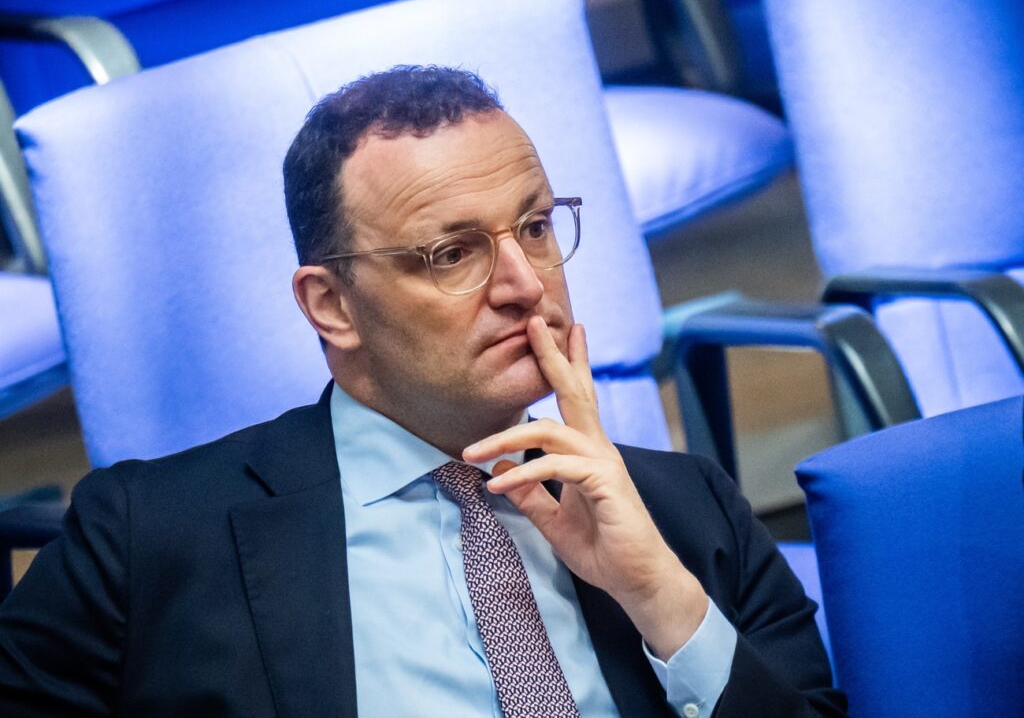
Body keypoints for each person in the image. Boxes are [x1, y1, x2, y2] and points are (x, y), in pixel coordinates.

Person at [0, 66, 845, 717]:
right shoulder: (144, 539)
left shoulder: (687, 512)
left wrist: (659, 596)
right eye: (453, 253)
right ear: (331, 305)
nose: (526, 284)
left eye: (536, 227)